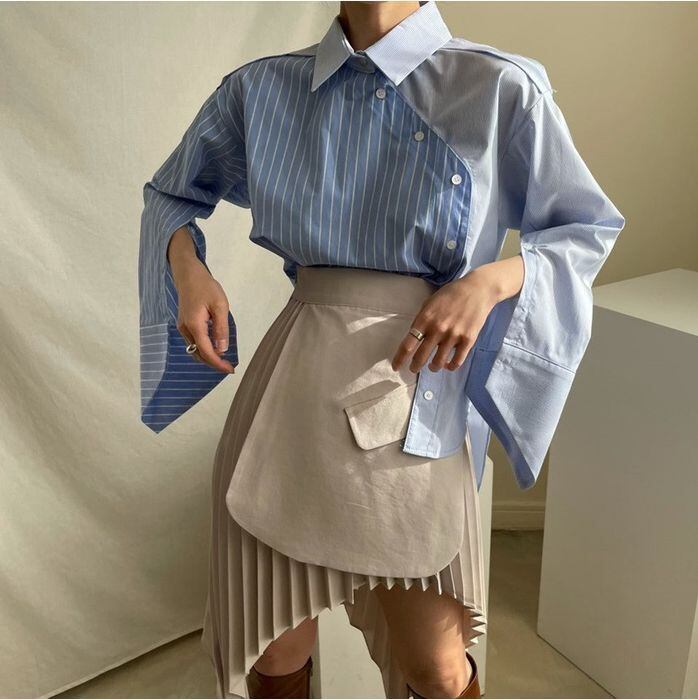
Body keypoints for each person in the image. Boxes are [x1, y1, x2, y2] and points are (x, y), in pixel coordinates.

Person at [137, 1, 625, 698]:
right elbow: (170, 195)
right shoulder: (260, 87)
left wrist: (490, 282)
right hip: (292, 383)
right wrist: (190, 273)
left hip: (419, 383)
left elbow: (584, 230)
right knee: (273, 650)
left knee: (436, 667)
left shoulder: (498, 85)